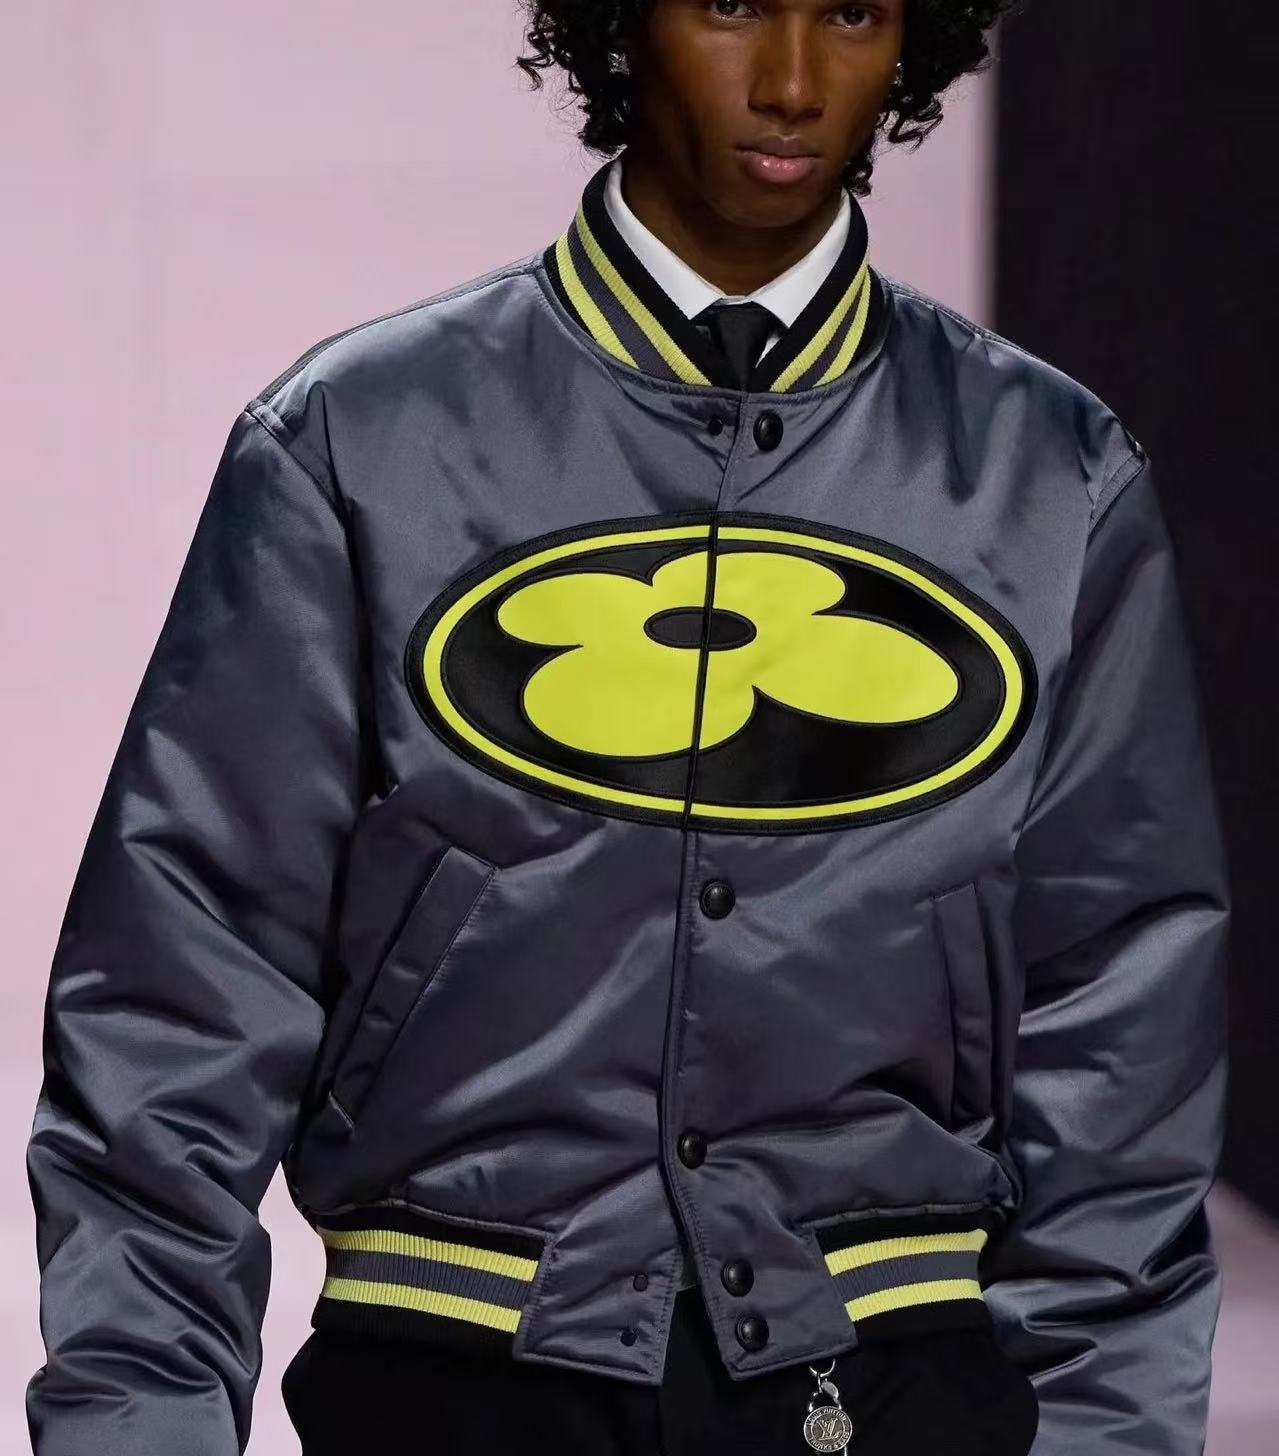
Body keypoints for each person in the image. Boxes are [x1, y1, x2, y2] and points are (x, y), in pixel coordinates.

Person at [26, 1, 1231, 1454]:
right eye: (731, 2)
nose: (792, 83)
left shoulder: (1050, 479)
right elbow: (184, 986)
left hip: (890, 1383)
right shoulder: (362, 442)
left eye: (852, 12)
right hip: (452, 1374)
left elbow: (1122, 1023)